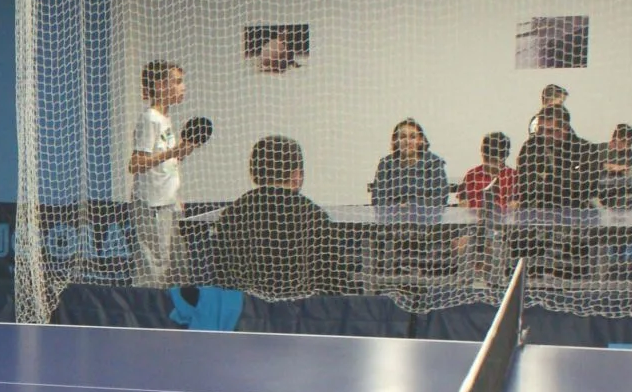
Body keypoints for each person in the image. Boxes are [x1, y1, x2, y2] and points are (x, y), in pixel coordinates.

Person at [209, 136, 342, 298]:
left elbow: (220, 271)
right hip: (300, 308)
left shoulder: (232, 213)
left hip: (246, 307)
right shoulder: (314, 215)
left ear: (254, 172)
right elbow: (332, 276)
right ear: (297, 174)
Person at [126, 61, 202, 282]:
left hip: (168, 204)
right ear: (160, 86)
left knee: (177, 268)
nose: (183, 87)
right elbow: (135, 164)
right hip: (151, 206)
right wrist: (172, 152)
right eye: (177, 82)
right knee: (154, 270)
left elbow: (164, 164)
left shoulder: (165, 119)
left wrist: (182, 151)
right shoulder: (150, 118)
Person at [515, 105, 607, 209]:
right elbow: (526, 184)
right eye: (541, 130)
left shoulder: (586, 149)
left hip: (576, 212)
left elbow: (584, 187)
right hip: (537, 211)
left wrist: (546, 178)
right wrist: (562, 179)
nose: (544, 135)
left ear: (565, 128)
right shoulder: (530, 147)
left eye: (550, 131)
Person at [369, 119, 450, 207]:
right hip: (392, 214)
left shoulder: (434, 163)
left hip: (426, 214)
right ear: (395, 141)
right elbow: (377, 199)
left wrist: (410, 205)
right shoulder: (386, 164)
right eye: (402, 137)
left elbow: (440, 198)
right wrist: (398, 207)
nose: (407, 141)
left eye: (413, 137)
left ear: (420, 140)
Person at [460, 132, 517, 212]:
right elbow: (463, 202)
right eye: (487, 159)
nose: (491, 165)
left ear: (505, 156)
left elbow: (515, 204)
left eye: (495, 160)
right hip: (475, 218)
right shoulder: (472, 175)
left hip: (504, 218)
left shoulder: (513, 176)